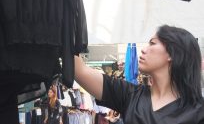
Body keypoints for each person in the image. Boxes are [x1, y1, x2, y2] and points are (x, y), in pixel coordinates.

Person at [74, 25, 204, 124]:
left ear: (172, 53)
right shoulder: (130, 94)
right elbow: (80, 71)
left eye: (152, 43)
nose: (143, 49)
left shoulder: (198, 111)